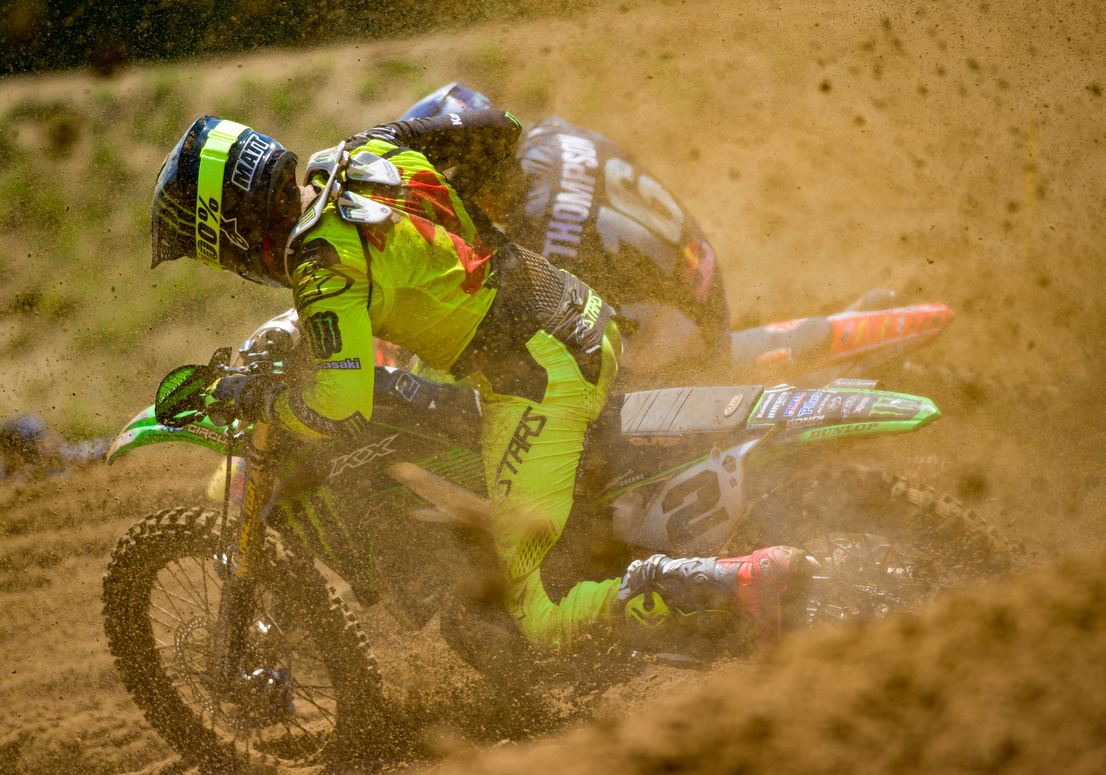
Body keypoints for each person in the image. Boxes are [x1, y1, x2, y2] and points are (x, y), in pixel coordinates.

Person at [149, 111, 803, 653]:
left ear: (229, 231)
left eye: (213, 253)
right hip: (575, 309)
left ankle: (739, 580)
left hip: (540, 373)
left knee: (540, 616)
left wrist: (260, 398)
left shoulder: (318, 265)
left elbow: (339, 407)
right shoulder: (359, 154)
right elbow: (497, 127)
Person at [398, 83, 730, 388]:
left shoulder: (542, 217)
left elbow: (541, 333)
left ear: (470, 171)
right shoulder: (550, 133)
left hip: (685, 359)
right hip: (699, 301)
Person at [0, 415, 110, 493]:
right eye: (28, 448)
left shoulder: (57, 459)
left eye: (40, 441)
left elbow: (106, 446)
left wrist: (79, 460)